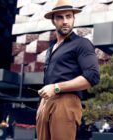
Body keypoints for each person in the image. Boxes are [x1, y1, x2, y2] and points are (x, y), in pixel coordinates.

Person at [36, 0, 100, 139]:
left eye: (68, 16)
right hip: (45, 104)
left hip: (65, 102)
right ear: (53, 21)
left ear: (73, 18)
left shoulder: (82, 44)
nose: (65, 21)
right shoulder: (50, 49)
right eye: (60, 17)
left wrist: (56, 87)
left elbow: (92, 76)